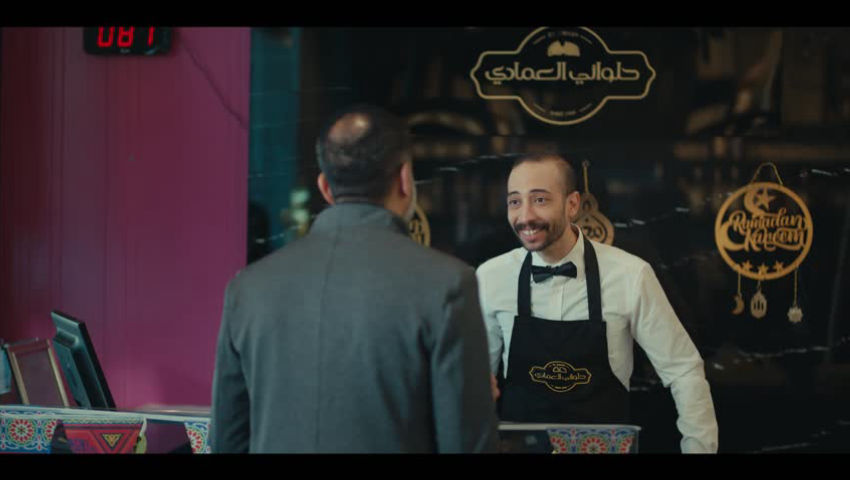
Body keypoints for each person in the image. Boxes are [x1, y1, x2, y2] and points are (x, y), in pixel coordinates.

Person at [210, 104, 499, 453]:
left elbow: (227, 441)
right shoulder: (448, 284)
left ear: (325, 187)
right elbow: (467, 445)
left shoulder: (247, 288)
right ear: (404, 179)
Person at [476, 153, 718, 453]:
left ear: (572, 204)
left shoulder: (630, 275)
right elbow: (475, 382)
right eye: (515, 201)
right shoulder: (491, 277)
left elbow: (683, 371)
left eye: (540, 200)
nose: (524, 216)